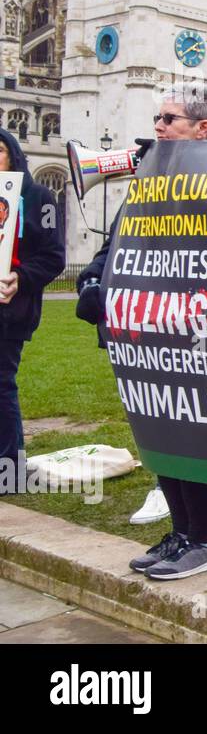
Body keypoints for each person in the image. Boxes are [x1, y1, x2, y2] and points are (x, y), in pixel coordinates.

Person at [75, 83, 207, 578]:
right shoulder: (150, 176)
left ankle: (202, 541)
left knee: (193, 434)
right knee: (159, 428)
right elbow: (121, 236)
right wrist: (94, 276)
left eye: (168, 119)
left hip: (191, 332)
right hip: (143, 331)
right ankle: (181, 533)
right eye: (159, 119)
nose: (158, 128)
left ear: (201, 129)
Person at [0, 127, 65, 493]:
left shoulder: (39, 198)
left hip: (11, 307)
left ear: (13, 155)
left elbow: (54, 256)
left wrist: (19, 278)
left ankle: (9, 469)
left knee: (1, 383)